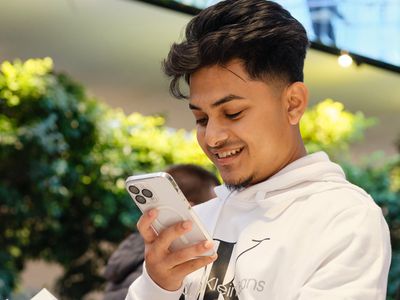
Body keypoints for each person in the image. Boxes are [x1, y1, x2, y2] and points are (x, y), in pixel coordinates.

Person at [126, 0, 391, 299]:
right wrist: (157, 284)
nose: (211, 138)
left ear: (293, 103)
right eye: (201, 118)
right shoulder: (199, 219)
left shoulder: (344, 219)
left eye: (233, 113)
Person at [103, 164, 220, 300]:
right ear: (190, 208)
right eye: (212, 207)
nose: (217, 215)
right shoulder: (161, 267)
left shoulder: (130, 250)